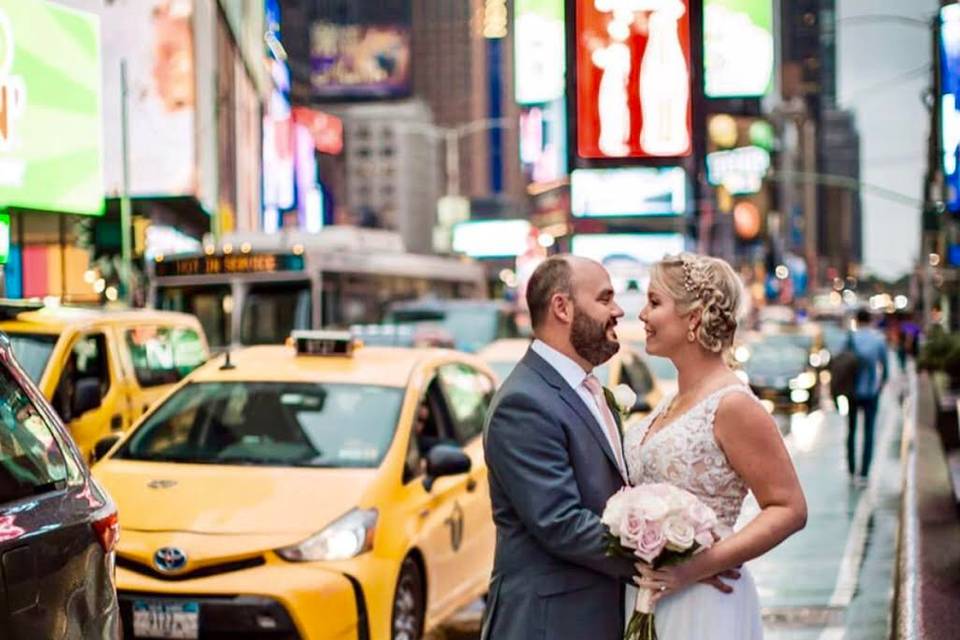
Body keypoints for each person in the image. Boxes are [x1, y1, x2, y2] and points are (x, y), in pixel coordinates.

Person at [481, 255, 736, 640]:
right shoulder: (525, 402)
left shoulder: (589, 389)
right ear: (562, 308)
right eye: (604, 299)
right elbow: (561, 523)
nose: (619, 311)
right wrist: (679, 557)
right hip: (551, 623)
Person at [626, 252, 807, 639]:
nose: (642, 315)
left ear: (693, 318)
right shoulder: (669, 402)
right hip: (649, 595)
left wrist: (696, 568)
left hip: (701, 601)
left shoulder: (733, 404)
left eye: (654, 302)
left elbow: (790, 508)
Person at [847, 308, 890, 485]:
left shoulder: (850, 339)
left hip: (852, 391)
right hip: (871, 392)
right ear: (871, 320)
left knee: (851, 431)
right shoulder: (878, 340)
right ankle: (864, 472)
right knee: (869, 432)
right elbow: (885, 370)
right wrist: (878, 387)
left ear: (857, 320)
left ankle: (851, 470)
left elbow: (842, 363)